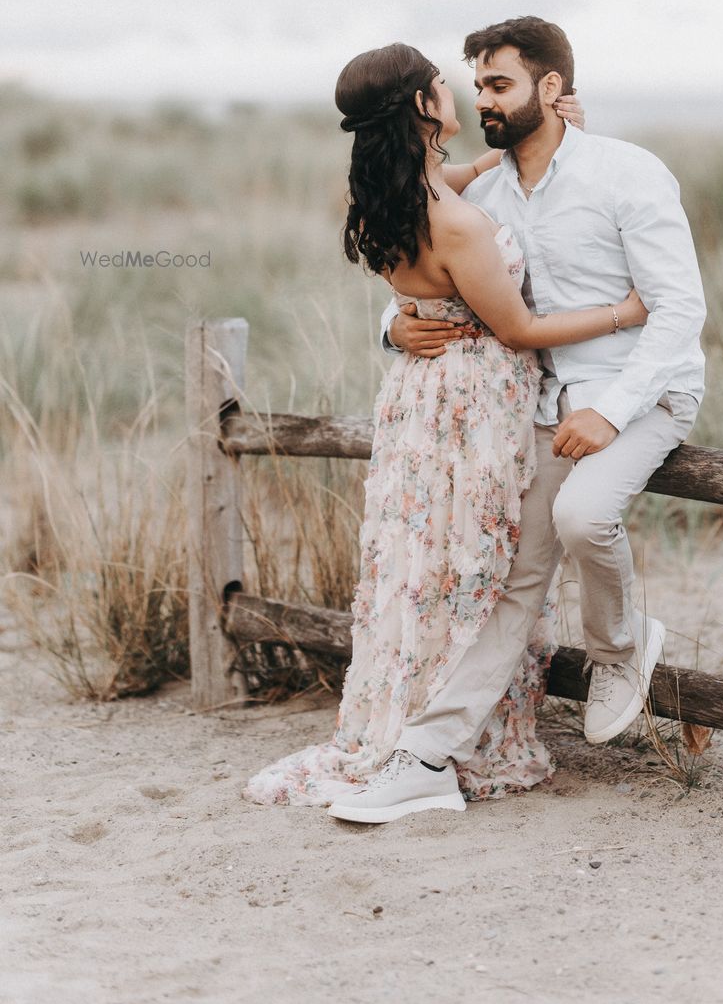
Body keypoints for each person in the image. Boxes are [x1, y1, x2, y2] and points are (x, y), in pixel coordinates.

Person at [241, 42, 648, 810]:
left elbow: (473, 178)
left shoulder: (391, 192)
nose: (458, 91)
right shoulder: (455, 223)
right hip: (474, 410)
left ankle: (419, 723)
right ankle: (445, 739)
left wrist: (558, 135)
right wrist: (626, 311)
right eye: (443, 84)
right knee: (478, 568)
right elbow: (519, 328)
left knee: (427, 567)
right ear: (423, 107)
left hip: (420, 401)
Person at [329, 15, 707, 825]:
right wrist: (393, 327)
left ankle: (620, 648)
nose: (483, 101)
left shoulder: (626, 172)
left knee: (583, 513)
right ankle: (424, 757)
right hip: (538, 403)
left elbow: (679, 309)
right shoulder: (485, 190)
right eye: (475, 87)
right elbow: (430, 272)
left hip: (640, 391)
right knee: (512, 582)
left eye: (499, 85)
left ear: (551, 86)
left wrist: (609, 410)